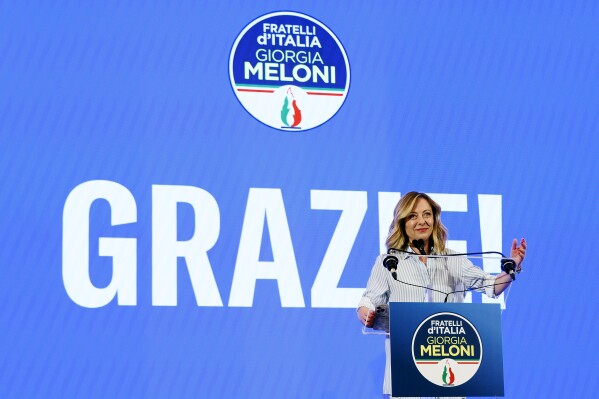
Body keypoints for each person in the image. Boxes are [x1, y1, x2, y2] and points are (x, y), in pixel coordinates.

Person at [357, 192, 526, 399]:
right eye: (412, 216)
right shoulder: (389, 263)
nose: (421, 221)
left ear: (435, 219)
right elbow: (368, 300)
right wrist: (366, 312)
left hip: (448, 380)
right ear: (402, 223)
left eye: (427, 214)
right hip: (406, 378)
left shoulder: (453, 259)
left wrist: (512, 268)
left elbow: (491, 286)